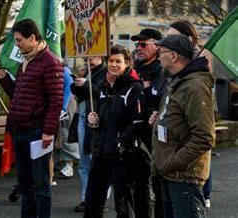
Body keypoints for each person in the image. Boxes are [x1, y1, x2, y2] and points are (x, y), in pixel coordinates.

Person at [0, 18, 64, 218]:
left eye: (19, 40)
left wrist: (48, 131)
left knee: (41, 184)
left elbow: (56, 101)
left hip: (37, 132)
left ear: (32, 38)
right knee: (25, 184)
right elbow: (19, 94)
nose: (17, 44)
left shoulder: (50, 62)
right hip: (20, 130)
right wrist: (4, 77)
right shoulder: (26, 61)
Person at [151, 34, 215, 218]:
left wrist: (171, 163)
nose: (158, 56)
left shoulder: (195, 86)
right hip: (171, 174)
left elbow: (204, 137)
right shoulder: (178, 81)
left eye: (161, 52)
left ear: (173, 56)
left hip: (184, 177)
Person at [83, 45, 145, 218]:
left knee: (123, 206)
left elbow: (138, 123)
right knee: (92, 204)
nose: (114, 65)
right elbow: (103, 120)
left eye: (118, 61)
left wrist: (120, 143)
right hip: (100, 154)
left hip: (121, 157)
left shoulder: (135, 88)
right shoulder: (103, 86)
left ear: (127, 64)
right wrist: (94, 123)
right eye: (111, 60)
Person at [131, 28, 167, 218]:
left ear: (157, 46)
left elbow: (160, 99)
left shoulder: (162, 70)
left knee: (157, 183)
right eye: (137, 44)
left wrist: (145, 90)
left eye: (144, 44)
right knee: (139, 183)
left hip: (154, 133)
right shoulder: (134, 67)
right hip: (135, 132)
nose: (139, 48)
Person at [68, 56, 106, 212]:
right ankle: (86, 198)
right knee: (84, 162)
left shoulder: (105, 72)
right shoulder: (88, 72)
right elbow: (80, 93)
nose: (88, 60)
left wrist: (86, 84)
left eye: (92, 57)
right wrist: (79, 82)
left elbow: (102, 92)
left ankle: (99, 200)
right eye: (86, 58)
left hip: (95, 120)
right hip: (83, 117)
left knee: (96, 162)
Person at [56, 65, 79, 179]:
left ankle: (69, 165)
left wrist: (63, 108)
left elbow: (69, 86)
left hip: (67, 103)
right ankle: (61, 163)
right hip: (57, 103)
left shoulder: (64, 70)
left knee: (66, 132)